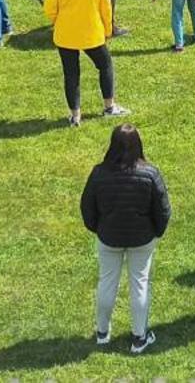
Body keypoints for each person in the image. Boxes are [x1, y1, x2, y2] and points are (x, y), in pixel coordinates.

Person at [79, 124, 170, 354]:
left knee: (107, 282)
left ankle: (102, 333)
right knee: (140, 284)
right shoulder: (150, 173)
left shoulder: (99, 173)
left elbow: (87, 208)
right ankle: (139, 337)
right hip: (142, 239)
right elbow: (163, 210)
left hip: (109, 238)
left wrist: (99, 228)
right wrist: (156, 232)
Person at [45, 0, 129, 126]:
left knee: (71, 74)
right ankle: (109, 107)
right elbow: (106, 9)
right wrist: (107, 31)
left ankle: (75, 116)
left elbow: (50, 9)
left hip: (66, 35)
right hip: (92, 34)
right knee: (105, 65)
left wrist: (57, 21)